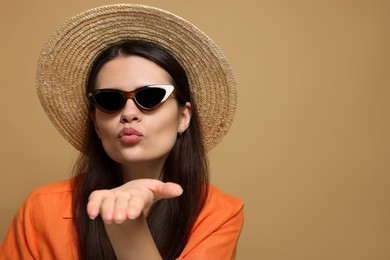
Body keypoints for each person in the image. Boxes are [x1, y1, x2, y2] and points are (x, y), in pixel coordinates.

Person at [0, 4, 243, 260]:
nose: (128, 113)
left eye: (150, 96)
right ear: (95, 122)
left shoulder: (219, 213)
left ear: (183, 117)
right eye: (110, 100)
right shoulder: (40, 208)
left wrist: (127, 228)